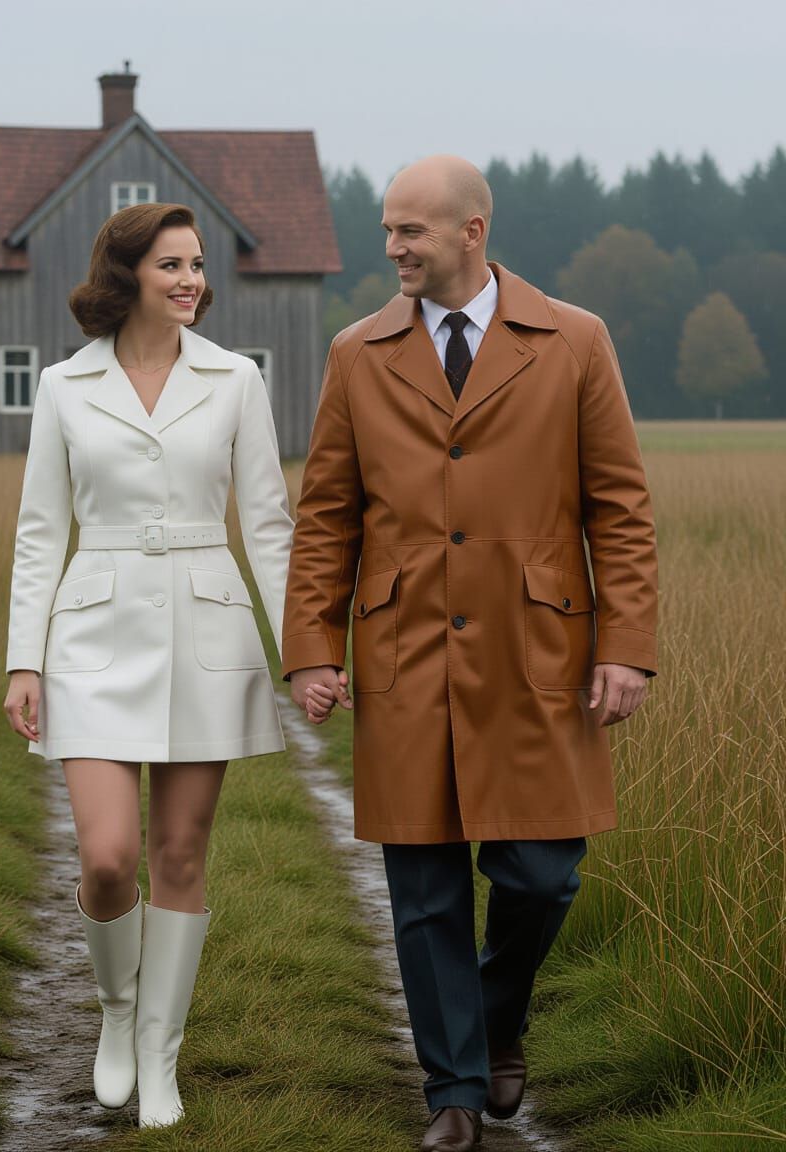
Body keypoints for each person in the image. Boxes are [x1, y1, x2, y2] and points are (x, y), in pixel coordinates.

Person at [283, 156, 658, 1152]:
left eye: (411, 231)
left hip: (539, 650)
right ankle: (452, 1089)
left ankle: (494, 1021)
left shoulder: (573, 340)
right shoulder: (356, 353)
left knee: (540, 874)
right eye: (387, 232)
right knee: (424, 885)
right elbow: (324, 517)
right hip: (404, 647)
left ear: (470, 233)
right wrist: (312, 650)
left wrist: (623, 647)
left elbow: (618, 509)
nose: (394, 248)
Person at [3, 202, 297, 1130]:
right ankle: (118, 1013)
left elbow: (270, 527)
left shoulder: (236, 380)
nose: (192, 280)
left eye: (199, 265)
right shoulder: (61, 386)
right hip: (91, 636)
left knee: (179, 851)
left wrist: (306, 651)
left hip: (207, 630)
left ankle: (160, 1056)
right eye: (172, 264)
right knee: (108, 857)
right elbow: (40, 534)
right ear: (126, 273)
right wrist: (24, 661)